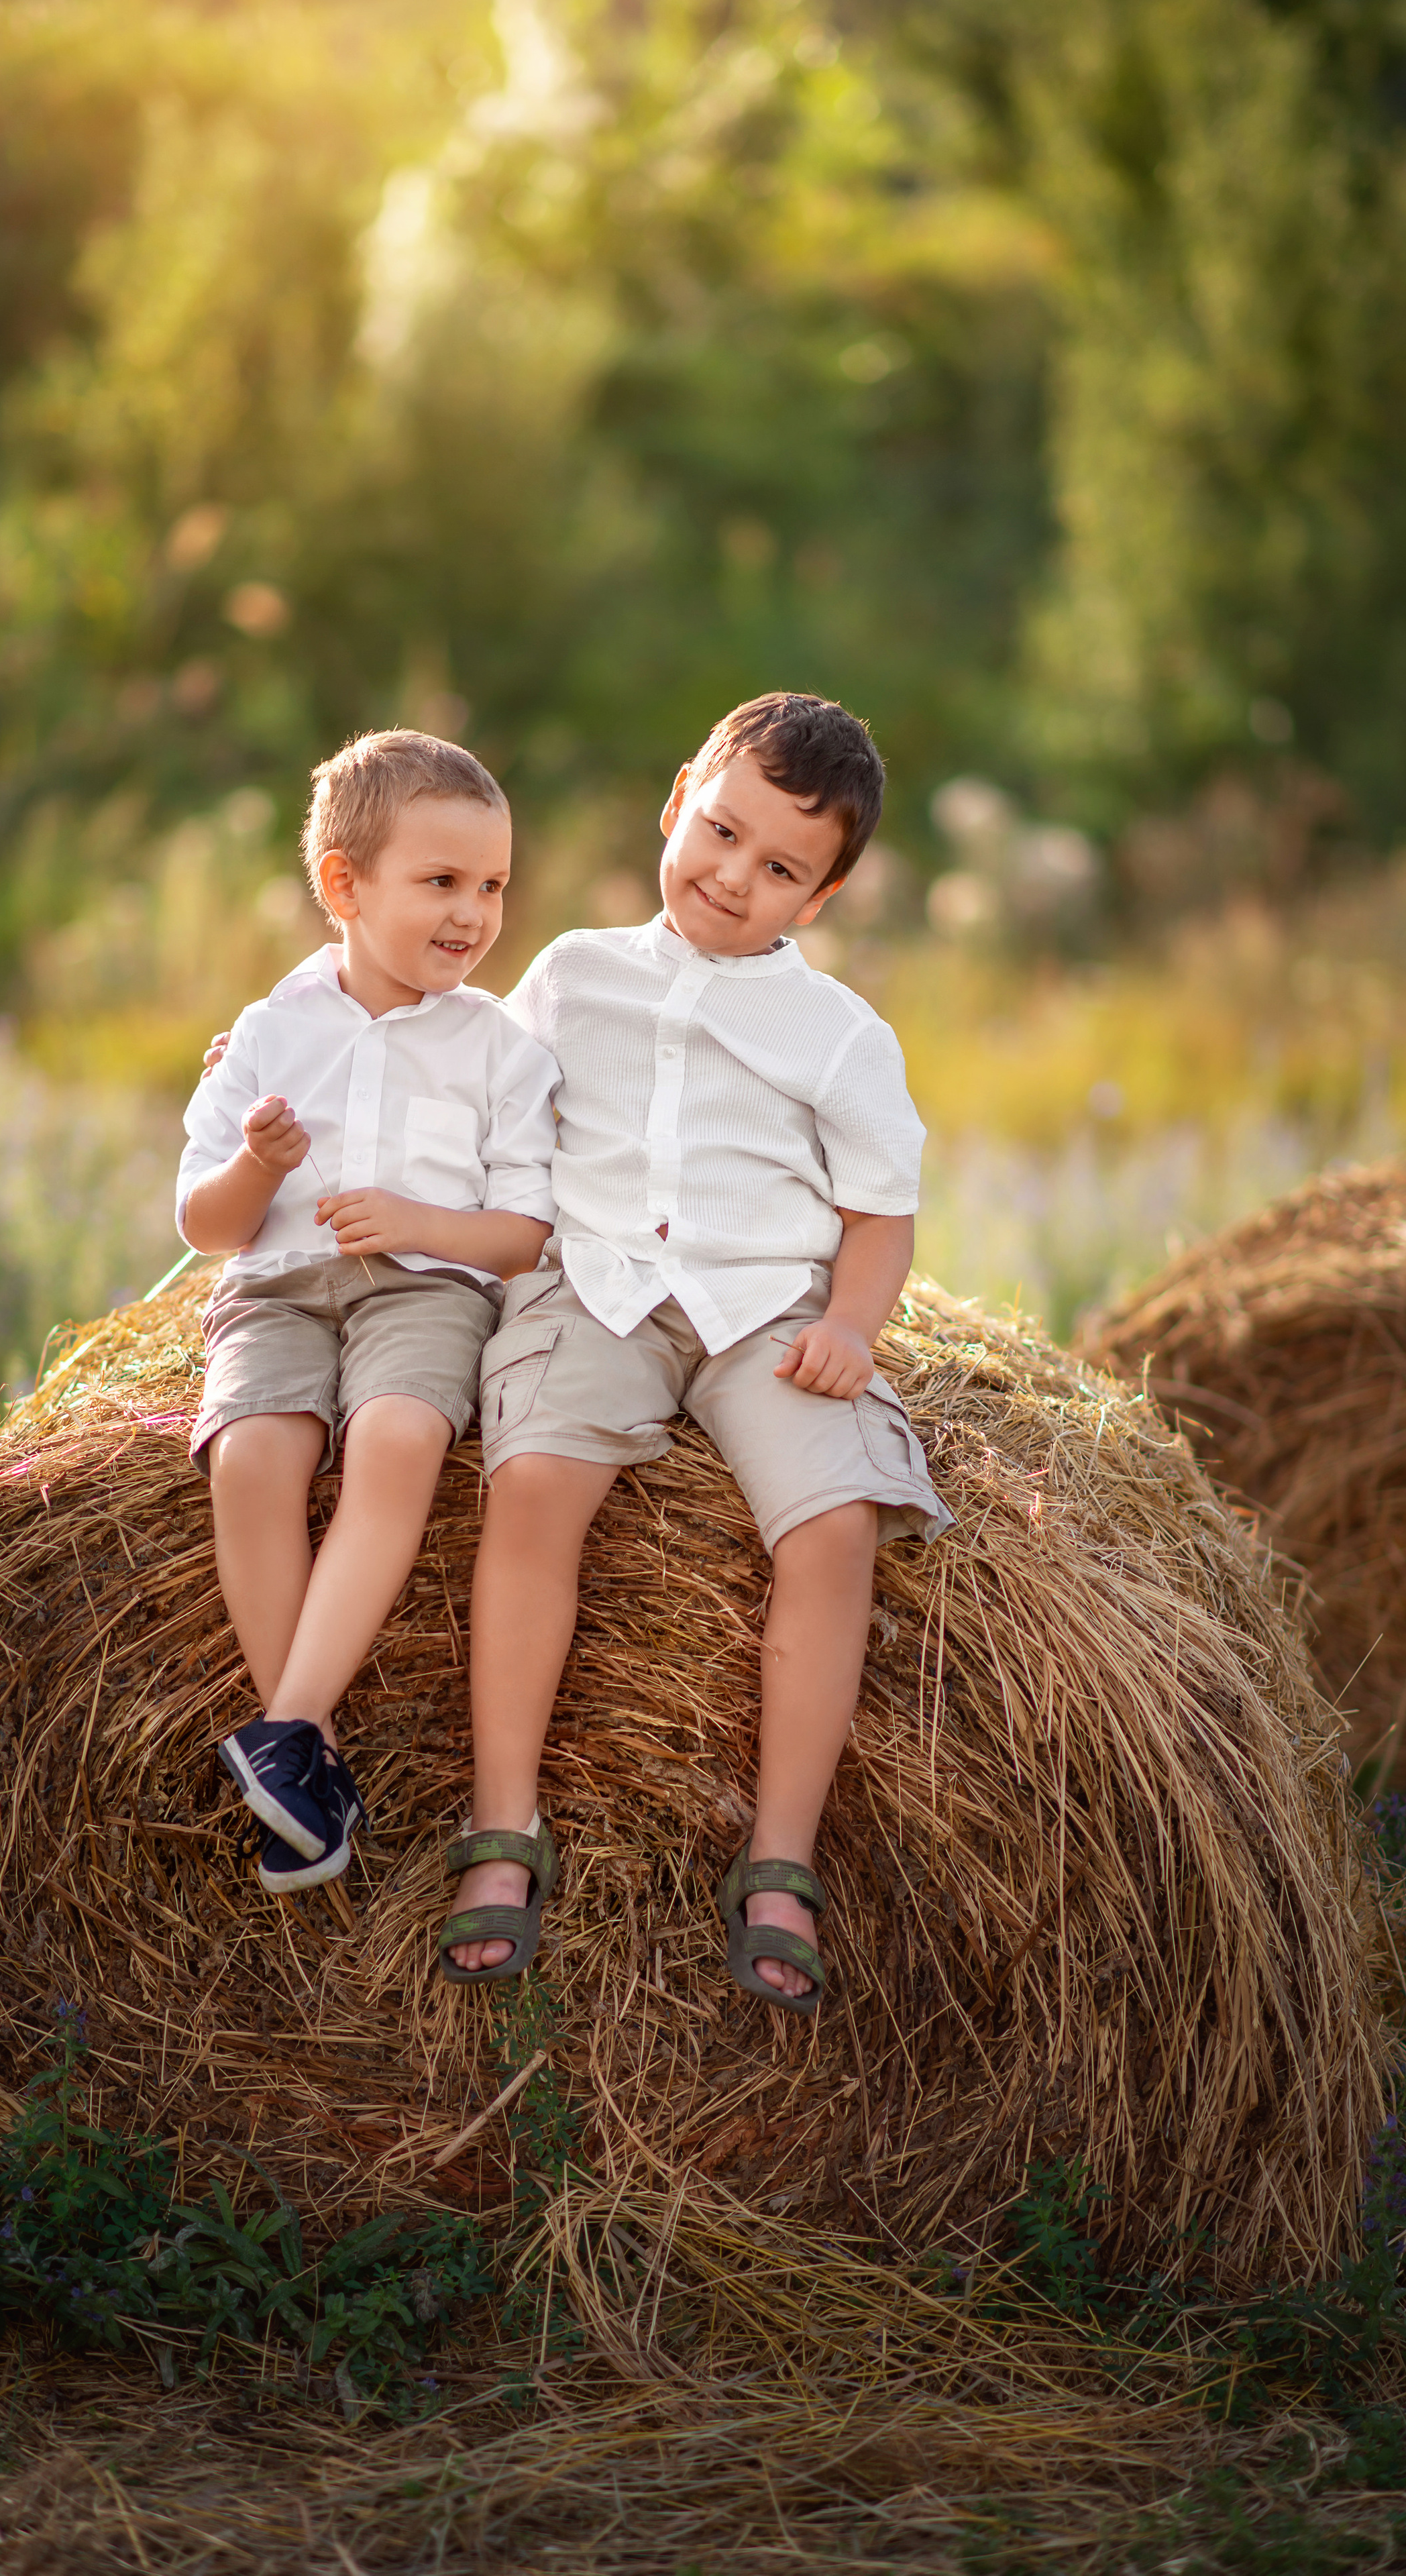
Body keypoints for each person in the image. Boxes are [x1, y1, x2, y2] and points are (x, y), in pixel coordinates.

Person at [437, 693, 952, 2012]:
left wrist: (848, 1327)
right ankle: (505, 1826)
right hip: (595, 1285)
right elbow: (476, 1092)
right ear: (676, 802)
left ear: (820, 898)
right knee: (533, 1480)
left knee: (834, 1523)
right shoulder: (569, 972)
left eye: (779, 867)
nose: (732, 876)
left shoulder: (839, 1035)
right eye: (719, 832)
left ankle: (777, 1858)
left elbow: (877, 1218)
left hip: (762, 1313)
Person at [178, 731, 557, 1895]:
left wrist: (417, 1222)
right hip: (278, 1287)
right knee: (251, 1457)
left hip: (426, 1290)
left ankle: (285, 1727)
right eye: (441, 882)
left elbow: (526, 1232)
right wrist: (257, 1164)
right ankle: (314, 1761)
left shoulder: (500, 1047)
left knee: (398, 1439)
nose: (474, 914)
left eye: (492, 886)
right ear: (344, 887)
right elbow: (206, 1225)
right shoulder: (269, 1030)